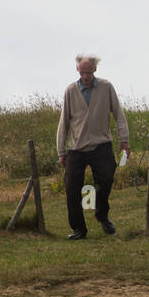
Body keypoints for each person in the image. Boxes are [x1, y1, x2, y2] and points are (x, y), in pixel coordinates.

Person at [56, 54, 130, 239]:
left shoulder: (106, 87)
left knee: (106, 179)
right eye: (83, 72)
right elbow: (64, 122)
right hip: (76, 148)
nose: (86, 76)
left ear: (95, 70)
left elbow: (119, 116)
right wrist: (61, 151)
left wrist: (124, 141)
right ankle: (79, 230)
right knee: (72, 188)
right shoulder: (70, 91)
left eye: (89, 72)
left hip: (101, 144)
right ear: (77, 70)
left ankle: (102, 215)